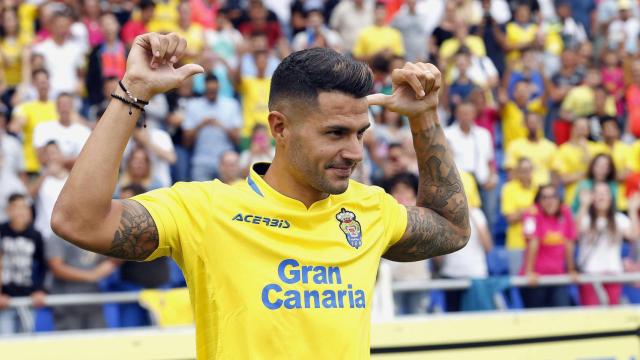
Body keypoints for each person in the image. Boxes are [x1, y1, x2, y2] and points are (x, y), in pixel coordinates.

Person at [51, 33, 469, 358]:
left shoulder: (369, 209)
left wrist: (424, 117)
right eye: (335, 133)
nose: (355, 152)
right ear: (279, 127)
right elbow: (78, 221)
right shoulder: (207, 210)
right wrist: (134, 89)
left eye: (360, 134)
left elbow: (451, 228)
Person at [576, 182, 640, 305]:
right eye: (597, 194)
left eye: (605, 193)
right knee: (592, 316)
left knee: (612, 316)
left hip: (613, 274)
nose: (601, 197)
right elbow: (574, 232)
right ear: (592, 197)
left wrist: (632, 210)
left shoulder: (618, 218)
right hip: (590, 275)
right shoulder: (586, 218)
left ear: (611, 197)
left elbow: (634, 236)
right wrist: (583, 206)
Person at [520, 184, 577, 308]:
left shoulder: (565, 212)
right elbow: (532, 242)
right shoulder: (531, 213)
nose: (549, 201)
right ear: (539, 200)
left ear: (559, 199)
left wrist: (571, 269)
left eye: (553, 197)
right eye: (544, 197)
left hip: (558, 277)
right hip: (536, 279)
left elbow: (569, 243)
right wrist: (530, 272)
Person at [0, 194, 47, 334]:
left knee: (27, 341)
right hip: (5, 299)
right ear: (8, 210)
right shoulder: (1, 232)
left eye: (24, 208)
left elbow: (42, 265)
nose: (20, 212)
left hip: (28, 297)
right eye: (16, 207)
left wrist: (39, 289)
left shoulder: (35, 235)